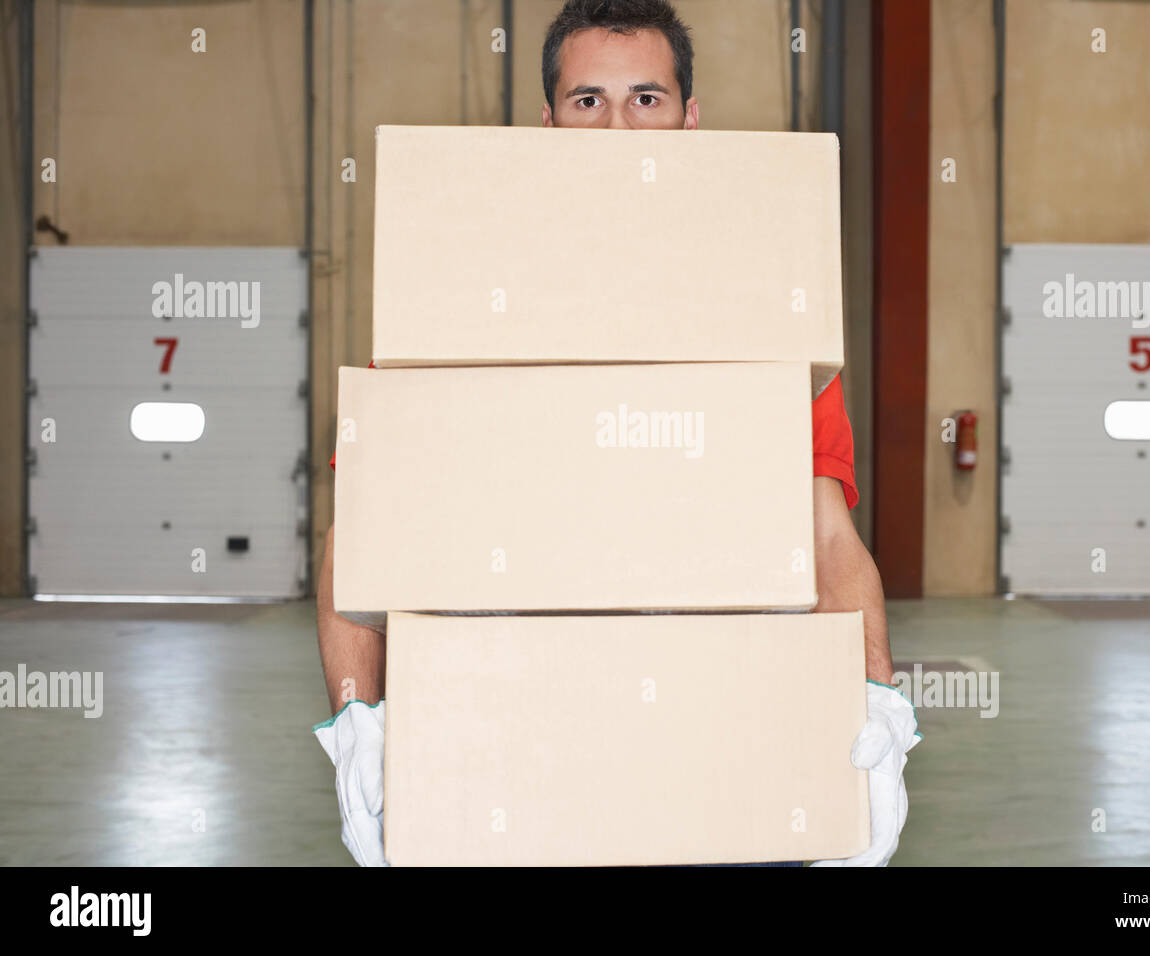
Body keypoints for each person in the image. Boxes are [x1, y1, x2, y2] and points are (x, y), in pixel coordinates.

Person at [314, 0, 920, 868]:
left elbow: (826, 536)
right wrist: (358, 720)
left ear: (688, 119)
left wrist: (874, 695)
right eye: (588, 101)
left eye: (646, 98)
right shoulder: (457, 311)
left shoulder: (768, 331)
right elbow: (365, 541)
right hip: (513, 760)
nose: (618, 126)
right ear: (548, 123)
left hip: (718, 758)